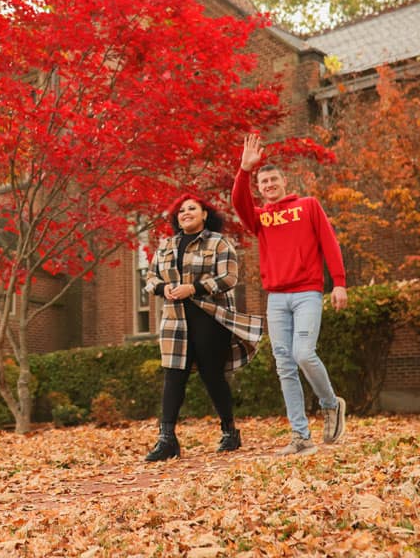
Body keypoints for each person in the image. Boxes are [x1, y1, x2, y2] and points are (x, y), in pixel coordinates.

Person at [231, 133, 347, 456]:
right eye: (263, 181)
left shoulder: (308, 206)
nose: (268, 184)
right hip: (276, 299)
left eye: (273, 179)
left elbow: (330, 244)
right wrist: (244, 170)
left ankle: (330, 404)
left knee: (304, 353)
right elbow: (239, 204)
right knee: (284, 364)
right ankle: (300, 436)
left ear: (284, 181)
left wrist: (339, 282)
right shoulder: (261, 218)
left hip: (307, 292)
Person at [144, 193, 264, 461]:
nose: (185, 213)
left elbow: (229, 277)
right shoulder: (166, 246)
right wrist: (165, 287)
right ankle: (167, 439)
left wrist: (194, 288)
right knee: (173, 376)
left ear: (205, 214)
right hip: (175, 320)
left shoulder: (219, 242)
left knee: (212, 375)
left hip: (209, 318)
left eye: (191, 209)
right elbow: (150, 278)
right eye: (181, 211)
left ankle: (229, 431)